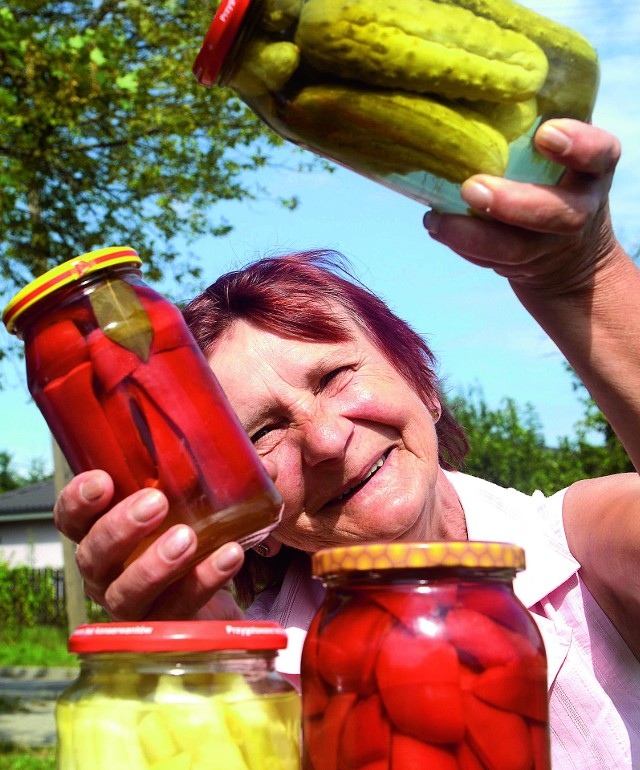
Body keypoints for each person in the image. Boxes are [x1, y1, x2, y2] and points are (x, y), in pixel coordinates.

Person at [54, 118, 640, 769]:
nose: (327, 440)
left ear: (424, 382)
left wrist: (582, 275)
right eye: (262, 434)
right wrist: (211, 678)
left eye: (336, 376)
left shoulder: (587, 550)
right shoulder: (259, 680)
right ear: (250, 522)